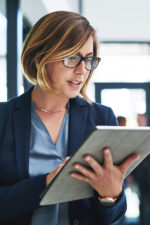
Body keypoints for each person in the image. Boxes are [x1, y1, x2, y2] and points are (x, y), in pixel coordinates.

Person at [0, 11, 138, 225]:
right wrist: (46, 183)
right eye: (72, 57)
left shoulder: (102, 117)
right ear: (39, 58)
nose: (82, 70)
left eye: (89, 60)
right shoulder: (3, 118)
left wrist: (109, 195)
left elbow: (112, 217)